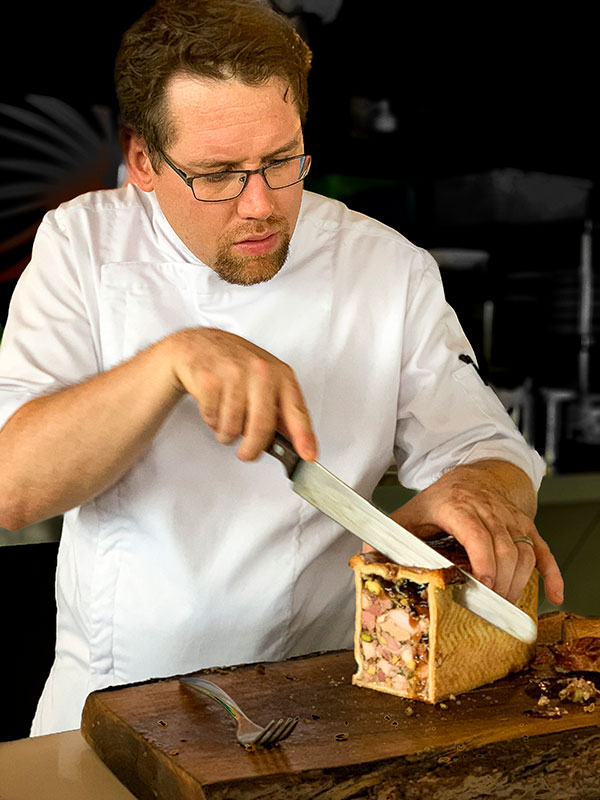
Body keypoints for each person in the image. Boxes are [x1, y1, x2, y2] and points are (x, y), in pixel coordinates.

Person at [0, 0, 562, 736]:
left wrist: (482, 492)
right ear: (142, 160)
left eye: (279, 160)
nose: (260, 204)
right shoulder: (82, 245)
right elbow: (12, 485)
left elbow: (484, 446)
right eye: (218, 174)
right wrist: (173, 361)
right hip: (112, 711)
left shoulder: (384, 266)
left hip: (329, 707)